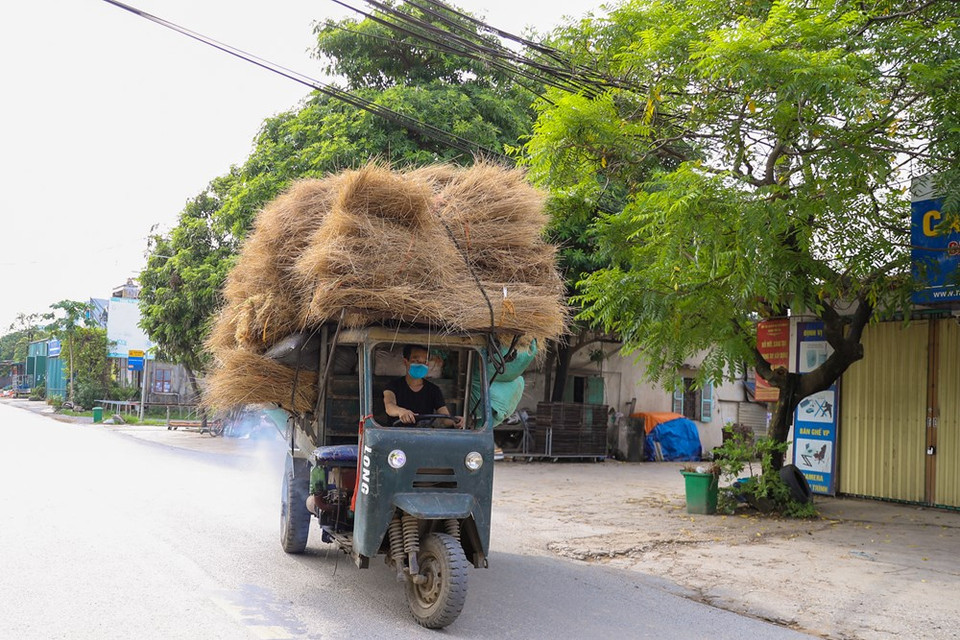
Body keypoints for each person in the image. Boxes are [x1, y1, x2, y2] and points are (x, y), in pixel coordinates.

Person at [383, 345, 463, 427]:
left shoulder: (433, 390)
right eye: (416, 361)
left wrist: (455, 421)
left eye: (424, 362)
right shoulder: (393, 386)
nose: (421, 365)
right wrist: (401, 411)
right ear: (405, 361)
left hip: (425, 436)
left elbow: (445, 418)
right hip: (396, 435)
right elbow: (389, 406)